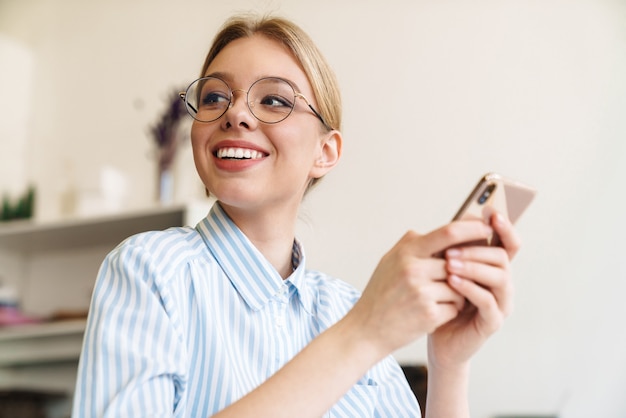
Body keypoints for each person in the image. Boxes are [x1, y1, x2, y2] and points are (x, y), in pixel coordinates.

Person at [72, 13, 519, 418]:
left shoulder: (350, 309)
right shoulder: (149, 271)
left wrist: (449, 366)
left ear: (326, 152)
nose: (236, 114)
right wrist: (362, 335)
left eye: (273, 101)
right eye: (214, 97)